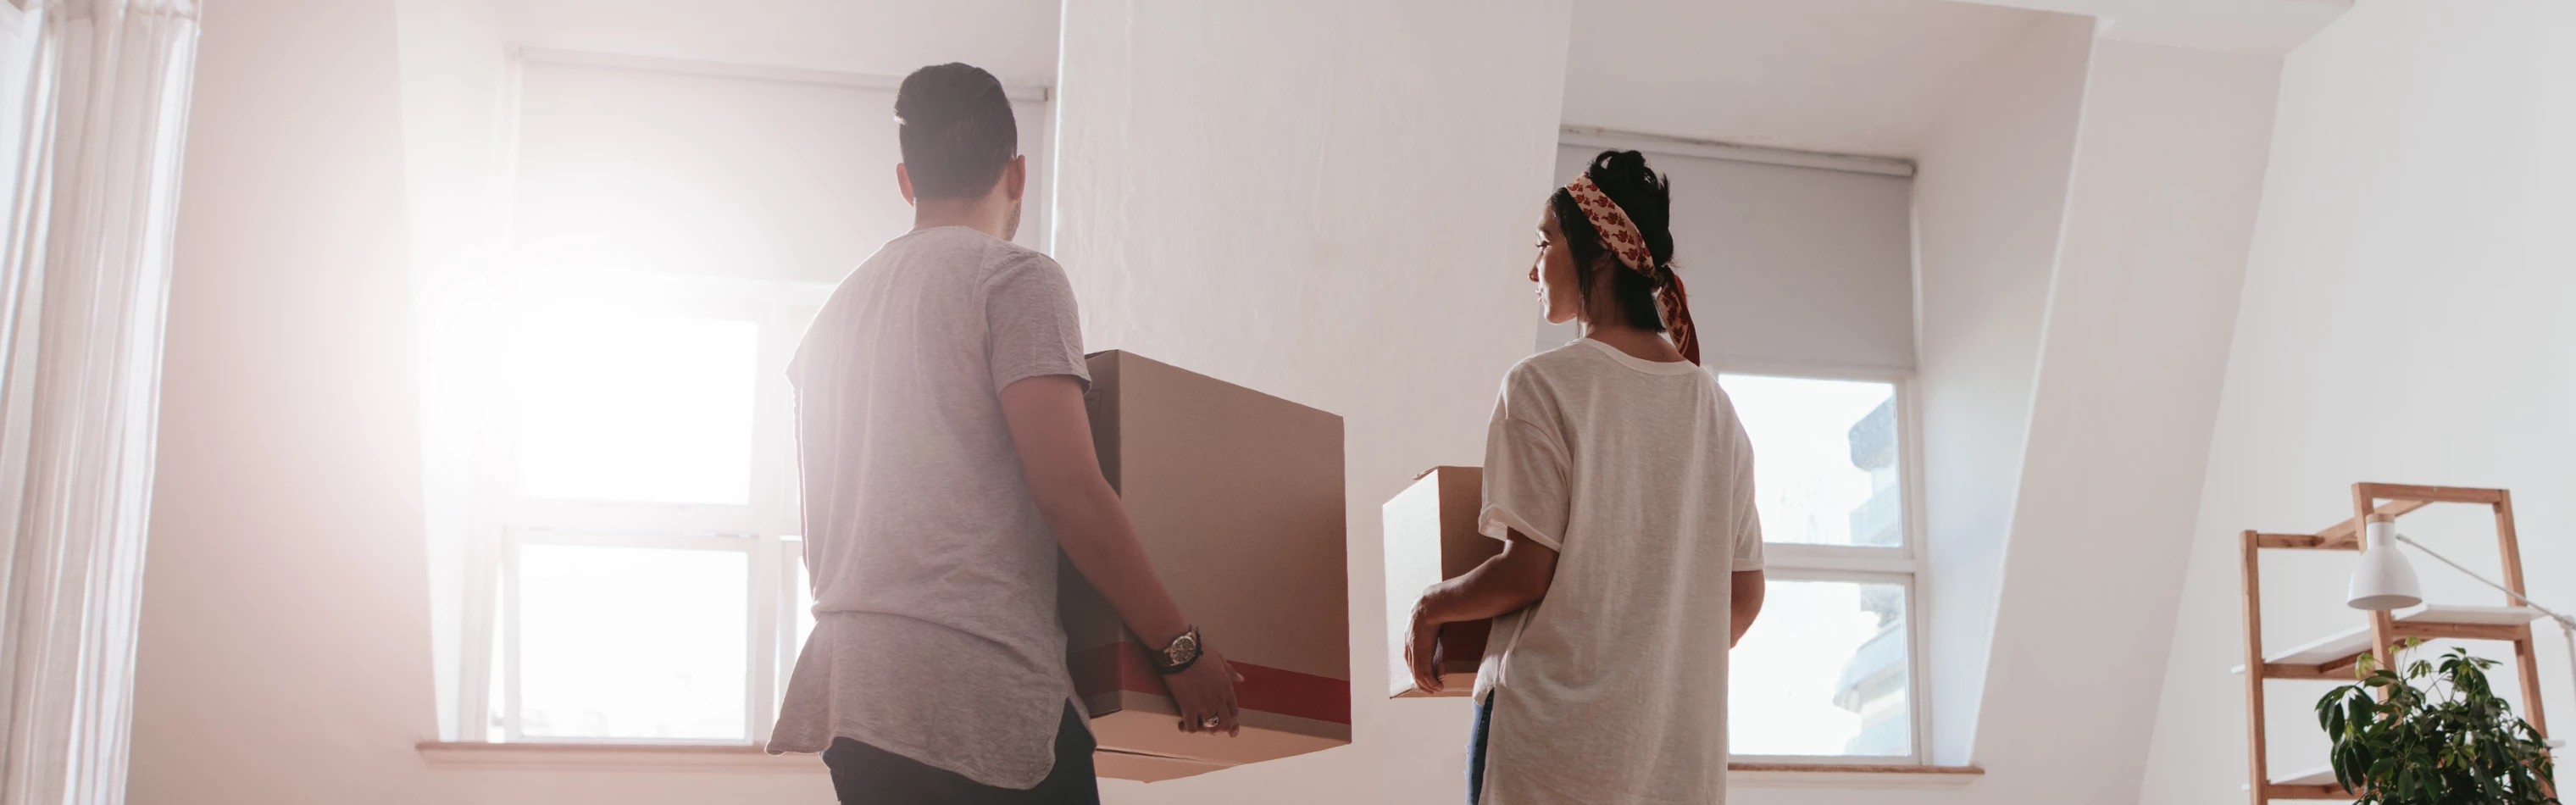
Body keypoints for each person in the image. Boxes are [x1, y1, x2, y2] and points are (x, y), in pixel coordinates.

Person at [768, 62, 1241, 804]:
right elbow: (1069, 492)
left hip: (855, 696)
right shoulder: (1015, 278)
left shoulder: (829, 323)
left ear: (906, 180)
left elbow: (819, 537)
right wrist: (1181, 651)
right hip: (975, 694)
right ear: (1017, 173)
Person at [1403, 150, 1768, 805]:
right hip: (1673, 765)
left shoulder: (1541, 386)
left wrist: (1431, 604)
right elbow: (1743, 598)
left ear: (1597, 254)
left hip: (1551, 751)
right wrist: (1653, 665)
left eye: (1544, 241)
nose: (1533, 266)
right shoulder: (1715, 410)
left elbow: (1526, 572)